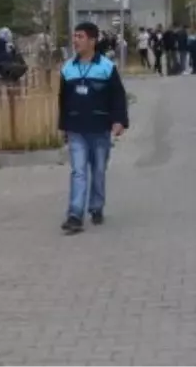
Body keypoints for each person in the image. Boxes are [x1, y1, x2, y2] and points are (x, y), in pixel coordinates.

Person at [58, 22, 129, 234]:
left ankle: (96, 207)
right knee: (78, 171)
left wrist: (119, 121)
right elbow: (63, 99)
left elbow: (118, 96)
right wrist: (63, 126)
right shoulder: (68, 68)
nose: (75, 41)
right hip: (76, 128)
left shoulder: (106, 67)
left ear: (92, 40)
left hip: (100, 128)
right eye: (74, 36)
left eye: (80, 36)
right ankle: (75, 214)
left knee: (98, 170)